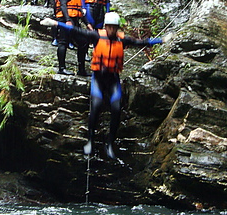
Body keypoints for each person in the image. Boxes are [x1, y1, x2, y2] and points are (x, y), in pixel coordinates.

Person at [41, 12, 167, 159]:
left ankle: (110, 144)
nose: (111, 30)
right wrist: (56, 23)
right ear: (106, 26)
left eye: (114, 27)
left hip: (113, 78)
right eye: (109, 27)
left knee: (116, 108)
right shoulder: (96, 36)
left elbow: (141, 42)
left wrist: (161, 40)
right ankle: (90, 141)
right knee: (96, 106)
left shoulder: (123, 40)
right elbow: (76, 30)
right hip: (98, 78)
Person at [52, 0, 90, 76]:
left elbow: (78, 10)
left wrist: (87, 24)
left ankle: (81, 70)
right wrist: (67, 20)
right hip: (64, 19)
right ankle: (61, 68)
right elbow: (63, 5)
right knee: (63, 42)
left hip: (74, 20)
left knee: (83, 41)